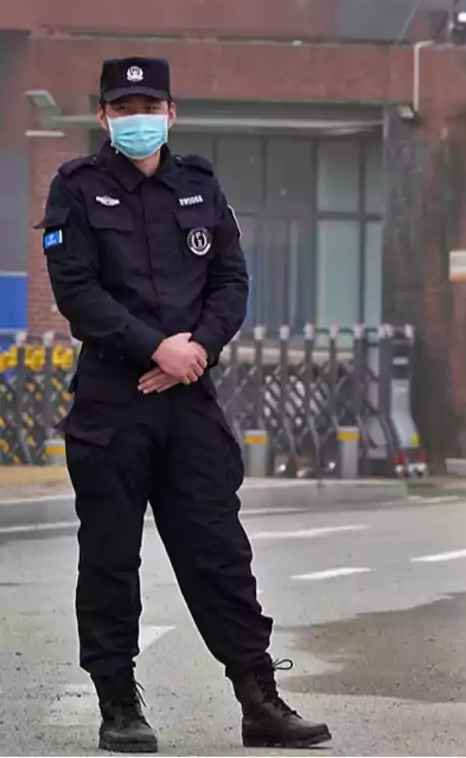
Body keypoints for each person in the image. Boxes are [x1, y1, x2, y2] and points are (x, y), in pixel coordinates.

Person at [37, 57, 330, 752]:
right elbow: (76, 292)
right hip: (114, 398)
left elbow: (230, 279)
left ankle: (259, 699)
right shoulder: (75, 189)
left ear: (171, 113)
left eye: (149, 103)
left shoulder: (200, 186)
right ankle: (118, 704)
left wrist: (195, 350)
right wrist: (154, 349)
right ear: (104, 116)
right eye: (122, 105)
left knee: (219, 553)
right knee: (110, 558)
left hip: (189, 399)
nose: (136, 116)